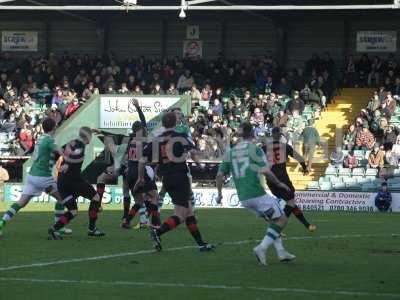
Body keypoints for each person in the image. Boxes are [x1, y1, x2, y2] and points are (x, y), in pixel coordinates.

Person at [216, 122, 295, 266]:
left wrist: (220, 194)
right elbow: (265, 171)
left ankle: (281, 252)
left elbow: (220, 175)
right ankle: (261, 248)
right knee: (282, 219)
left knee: (273, 220)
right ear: (252, 133)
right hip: (256, 194)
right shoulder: (255, 150)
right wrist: (279, 183)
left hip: (243, 198)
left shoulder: (230, 152)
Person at [140, 112, 214, 252]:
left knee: (189, 211)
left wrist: (141, 177)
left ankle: (201, 244)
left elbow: (143, 159)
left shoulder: (156, 140)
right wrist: (200, 164)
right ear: (175, 123)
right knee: (181, 214)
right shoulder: (180, 136)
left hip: (167, 178)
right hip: (180, 176)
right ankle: (157, 232)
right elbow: (192, 152)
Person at [0, 118, 63, 236]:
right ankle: (57, 227)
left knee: (21, 203)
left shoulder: (41, 137)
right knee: (61, 198)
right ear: (54, 127)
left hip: (32, 175)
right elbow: (60, 151)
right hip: (43, 177)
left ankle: (2, 222)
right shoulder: (49, 140)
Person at [48, 127, 105, 239]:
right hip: (74, 180)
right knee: (96, 198)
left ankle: (54, 229)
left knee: (73, 211)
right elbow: (76, 154)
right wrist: (68, 164)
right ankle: (92, 229)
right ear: (88, 137)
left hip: (62, 182)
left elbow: (57, 152)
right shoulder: (80, 146)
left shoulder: (71, 143)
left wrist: (53, 164)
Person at [265, 127, 316, 232]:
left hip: (270, 180)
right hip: (283, 179)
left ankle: (307, 225)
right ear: (280, 135)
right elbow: (300, 158)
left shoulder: (264, 148)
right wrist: (305, 168)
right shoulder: (285, 146)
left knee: (290, 203)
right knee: (291, 202)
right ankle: (277, 227)